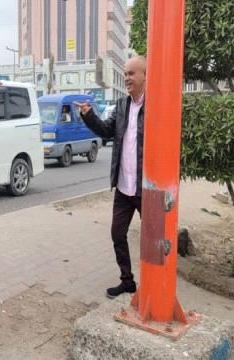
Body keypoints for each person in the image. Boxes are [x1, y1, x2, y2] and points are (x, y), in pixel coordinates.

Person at [75, 56, 147, 299]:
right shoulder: (122, 105)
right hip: (124, 188)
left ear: (145, 76)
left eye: (131, 73)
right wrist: (88, 115)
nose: (126, 78)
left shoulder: (154, 106)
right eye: (125, 73)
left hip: (146, 189)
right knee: (117, 234)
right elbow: (106, 130)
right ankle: (127, 281)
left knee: (153, 239)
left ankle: (153, 283)